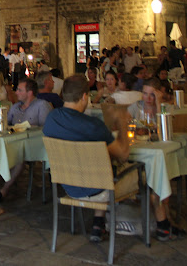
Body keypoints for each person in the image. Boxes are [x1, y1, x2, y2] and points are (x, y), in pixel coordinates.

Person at [43, 75, 136, 242]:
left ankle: (98, 223)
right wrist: (122, 122)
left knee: (99, 168)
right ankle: (162, 223)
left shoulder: (51, 119)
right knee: (143, 171)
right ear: (85, 96)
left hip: (69, 186)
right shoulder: (93, 126)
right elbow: (123, 154)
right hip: (99, 190)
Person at [0, 78, 52, 202]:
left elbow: (46, 128)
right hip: (13, 142)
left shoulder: (41, 105)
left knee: (19, 157)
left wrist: (30, 127)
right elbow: (6, 123)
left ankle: (3, 190)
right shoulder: (15, 107)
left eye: (19, 90)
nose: (16, 92)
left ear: (30, 93)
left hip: (34, 144)